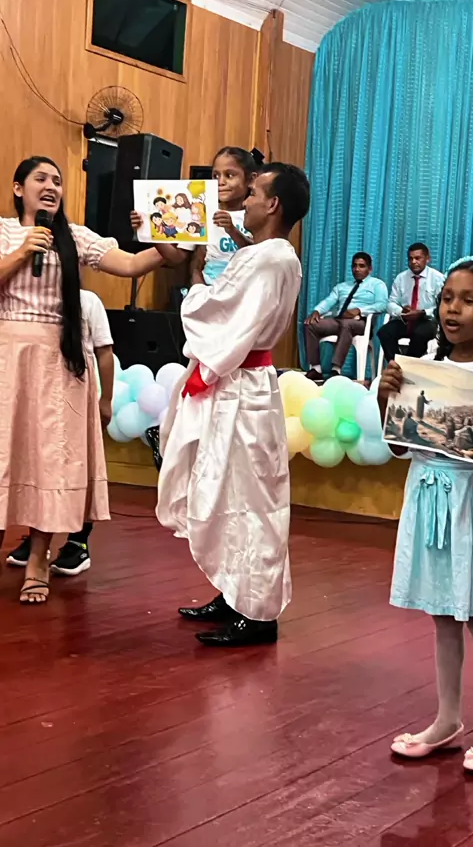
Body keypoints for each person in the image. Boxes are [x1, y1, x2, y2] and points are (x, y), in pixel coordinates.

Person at [0, 155, 178, 603]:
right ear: (19, 188)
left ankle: (38, 558)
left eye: (57, 181)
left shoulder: (75, 237)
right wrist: (22, 252)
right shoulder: (4, 233)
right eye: (41, 179)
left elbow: (131, 265)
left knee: (50, 460)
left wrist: (165, 234)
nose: (51, 186)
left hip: (58, 363)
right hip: (7, 359)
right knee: (5, 454)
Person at [157, 163, 310, 647]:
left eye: (254, 193)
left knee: (252, 500)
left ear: (273, 204)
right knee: (229, 493)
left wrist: (195, 275)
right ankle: (233, 592)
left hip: (242, 386)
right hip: (239, 383)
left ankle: (258, 613)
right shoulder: (273, 255)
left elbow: (218, 313)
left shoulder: (268, 259)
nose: (244, 200)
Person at [377, 256, 473, 774]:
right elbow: (398, 447)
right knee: (443, 613)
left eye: (469, 300)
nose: (453, 309)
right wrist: (385, 399)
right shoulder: (424, 364)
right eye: (448, 299)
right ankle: (447, 719)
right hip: (428, 494)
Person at [7, 288, 114, 576]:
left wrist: (106, 399)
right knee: (35, 466)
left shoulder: (89, 301)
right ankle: (36, 540)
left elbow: (105, 351)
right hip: (38, 392)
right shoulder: (25, 302)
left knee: (72, 465)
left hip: (72, 392)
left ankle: (78, 542)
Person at [131, 146, 258, 284]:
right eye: (216, 176)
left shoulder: (256, 215)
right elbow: (177, 258)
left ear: (251, 179)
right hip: (211, 290)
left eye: (230, 175)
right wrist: (150, 230)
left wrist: (232, 230)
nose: (221, 182)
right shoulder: (201, 212)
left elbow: (260, 254)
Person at [304, 253, 387, 381]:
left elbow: (382, 305)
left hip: (361, 323)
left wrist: (359, 310)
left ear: (369, 269)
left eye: (361, 266)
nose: (357, 269)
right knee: (311, 324)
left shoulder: (377, 284)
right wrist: (317, 311)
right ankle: (316, 369)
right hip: (339, 320)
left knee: (347, 324)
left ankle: (336, 369)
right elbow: (329, 301)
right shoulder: (342, 287)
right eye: (354, 266)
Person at [378, 243, 444, 362]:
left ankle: (408, 366)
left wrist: (423, 313)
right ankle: (396, 365)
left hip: (427, 321)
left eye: (417, 258)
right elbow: (391, 303)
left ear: (427, 259)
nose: (413, 262)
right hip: (405, 320)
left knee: (420, 334)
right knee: (384, 332)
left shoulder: (437, 278)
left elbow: (441, 307)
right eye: (410, 258)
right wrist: (401, 311)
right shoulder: (401, 278)